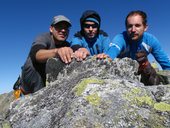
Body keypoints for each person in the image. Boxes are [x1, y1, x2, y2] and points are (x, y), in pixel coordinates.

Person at [106, 10, 170, 85]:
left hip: (141, 72)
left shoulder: (151, 41)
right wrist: (108, 56)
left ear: (145, 27)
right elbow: (114, 48)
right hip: (121, 74)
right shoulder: (121, 38)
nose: (133, 30)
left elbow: (166, 64)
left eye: (137, 25)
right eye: (130, 26)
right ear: (126, 28)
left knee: (148, 69)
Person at [19, 15, 73, 95]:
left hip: (47, 83)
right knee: (32, 63)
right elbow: (36, 55)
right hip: (28, 88)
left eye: (66, 28)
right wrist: (57, 52)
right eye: (59, 27)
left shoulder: (67, 45)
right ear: (51, 29)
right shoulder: (43, 37)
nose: (63, 30)